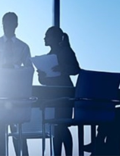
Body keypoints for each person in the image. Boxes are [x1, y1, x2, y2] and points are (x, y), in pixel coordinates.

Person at [0, 12, 32, 156]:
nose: (7, 26)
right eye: (5, 23)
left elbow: (29, 69)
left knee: (18, 134)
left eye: (10, 23)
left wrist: (14, 67)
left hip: (16, 95)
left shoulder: (23, 47)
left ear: (16, 25)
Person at [36, 26, 80, 156]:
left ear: (54, 38)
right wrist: (41, 76)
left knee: (62, 125)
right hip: (52, 94)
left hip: (65, 93)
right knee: (57, 127)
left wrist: (63, 68)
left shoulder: (66, 51)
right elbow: (45, 81)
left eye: (47, 36)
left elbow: (76, 69)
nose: (44, 38)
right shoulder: (48, 57)